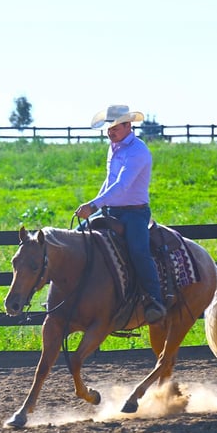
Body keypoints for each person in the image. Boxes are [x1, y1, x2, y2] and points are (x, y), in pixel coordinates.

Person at [75, 104, 167, 324]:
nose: (110, 131)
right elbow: (109, 182)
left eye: (115, 127)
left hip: (135, 214)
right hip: (111, 210)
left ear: (128, 125)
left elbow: (123, 185)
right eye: (108, 127)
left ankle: (156, 300)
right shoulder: (114, 147)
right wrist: (94, 204)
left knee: (138, 251)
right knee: (77, 239)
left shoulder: (138, 151)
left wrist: (94, 206)